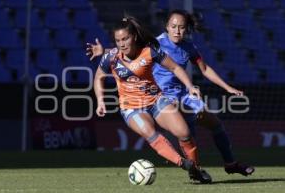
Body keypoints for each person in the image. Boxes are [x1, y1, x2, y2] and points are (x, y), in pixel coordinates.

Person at [86, 10, 255, 177]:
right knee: (183, 127)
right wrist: (105, 52)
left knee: (213, 124)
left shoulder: (189, 48)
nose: (177, 30)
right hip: (162, 95)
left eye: (181, 27)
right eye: (173, 26)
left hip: (179, 94)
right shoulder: (156, 43)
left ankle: (228, 163)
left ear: (187, 28)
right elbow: (128, 50)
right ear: (166, 26)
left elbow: (203, 69)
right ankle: (190, 166)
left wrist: (226, 87)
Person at [90, 16, 212, 183]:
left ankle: (195, 169)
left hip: (156, 101)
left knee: (184, 133)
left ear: (133, 37)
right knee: (150, 132)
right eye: (118, 40)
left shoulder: (149, 51)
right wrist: (100, 101)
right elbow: (98, 77)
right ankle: (183, 163)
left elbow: (175, 67)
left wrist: (190, 86)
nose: (122, 44)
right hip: (131, 107)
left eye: (125, 39)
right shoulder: (110, 57)